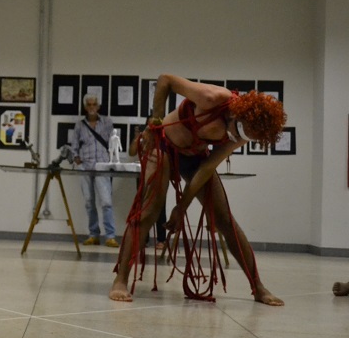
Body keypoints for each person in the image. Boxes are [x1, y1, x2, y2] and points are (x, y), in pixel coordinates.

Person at [109, 74, 286, 305]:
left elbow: (207, 168)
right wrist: (155, 121)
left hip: (194, 158)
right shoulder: (212, 98)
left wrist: (181, 208)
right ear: (237, 114)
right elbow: (165, 80)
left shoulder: (244, 131)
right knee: (148, 212)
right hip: (164, 146)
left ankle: (258, 286)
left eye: (244, 138)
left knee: (224, 220)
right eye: (238, 131)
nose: (235, 138)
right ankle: (120, 279)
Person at [70, 94, 119, 248]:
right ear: (85, 107)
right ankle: (94, 235)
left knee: (106, 202)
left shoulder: (107, 122)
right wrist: (76, 157)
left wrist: (113, 161)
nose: (91, 107)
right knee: (89, 202)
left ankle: (110, 236)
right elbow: (74, 146)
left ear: (98, 106)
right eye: (89, 104)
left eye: (94, 104)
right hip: (85, 166)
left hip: (102, 166)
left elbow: (113, 143)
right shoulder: (80, 125)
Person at [128, 119, 167, 252]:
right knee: (141, 206)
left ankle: (161, 239)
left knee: (160, 208)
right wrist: (137, 137)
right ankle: (143, 239)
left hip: (159, 177)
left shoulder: (164, 141)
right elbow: (132, 152)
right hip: (143, 175)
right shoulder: (144, 139)